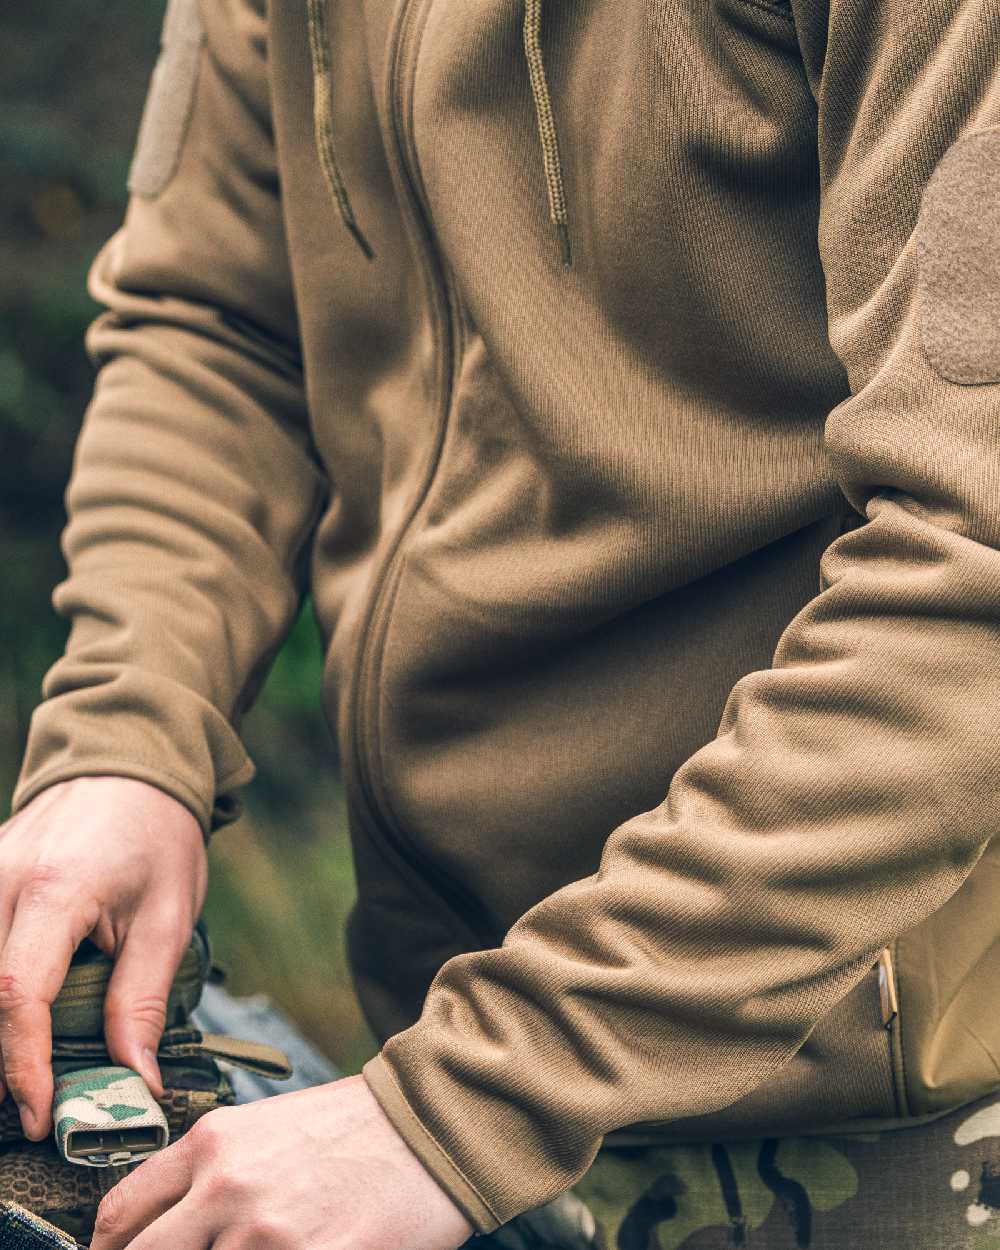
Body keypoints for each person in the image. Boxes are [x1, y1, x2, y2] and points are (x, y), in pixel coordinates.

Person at [4, 0, 1000, 1245]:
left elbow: (971, 571)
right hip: (410, 1088)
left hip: (855, 1123)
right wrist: (127, 737)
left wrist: (474, 1099)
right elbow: (218, 323)